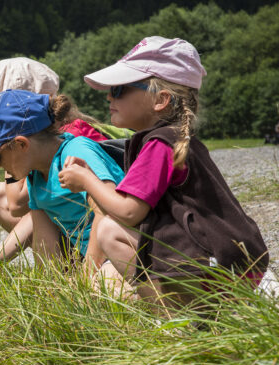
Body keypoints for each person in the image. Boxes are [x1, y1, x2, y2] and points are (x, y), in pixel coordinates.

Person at [59, 36, 269, 306]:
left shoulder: (158, 144)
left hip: (218, 270)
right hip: (238, 262)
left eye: (120, 89)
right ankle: (218, 306)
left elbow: (129, 212)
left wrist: (87, 180)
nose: (109, 96)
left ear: (161, 99)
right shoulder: (174, 139)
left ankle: (179, 320)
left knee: (110, 231)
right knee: (109, 275)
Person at [0, 58, 131, 265]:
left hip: (121, 251)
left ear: (22, 144)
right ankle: (67, 278)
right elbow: (36, 226)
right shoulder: (36, 171)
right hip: (89, 251)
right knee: (39, 212)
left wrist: (88, 275)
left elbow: (107, 211)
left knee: (102, 286)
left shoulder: (76, 149)